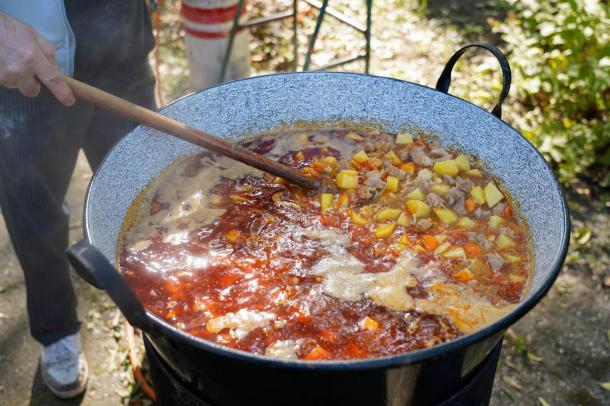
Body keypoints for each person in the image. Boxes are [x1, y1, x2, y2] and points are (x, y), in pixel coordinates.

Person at [0, 0, 156, 399]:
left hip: (121, 37)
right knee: (34, 210)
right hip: (23, 55)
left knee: (152, 201)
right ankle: (57, 331)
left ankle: (159, 324)